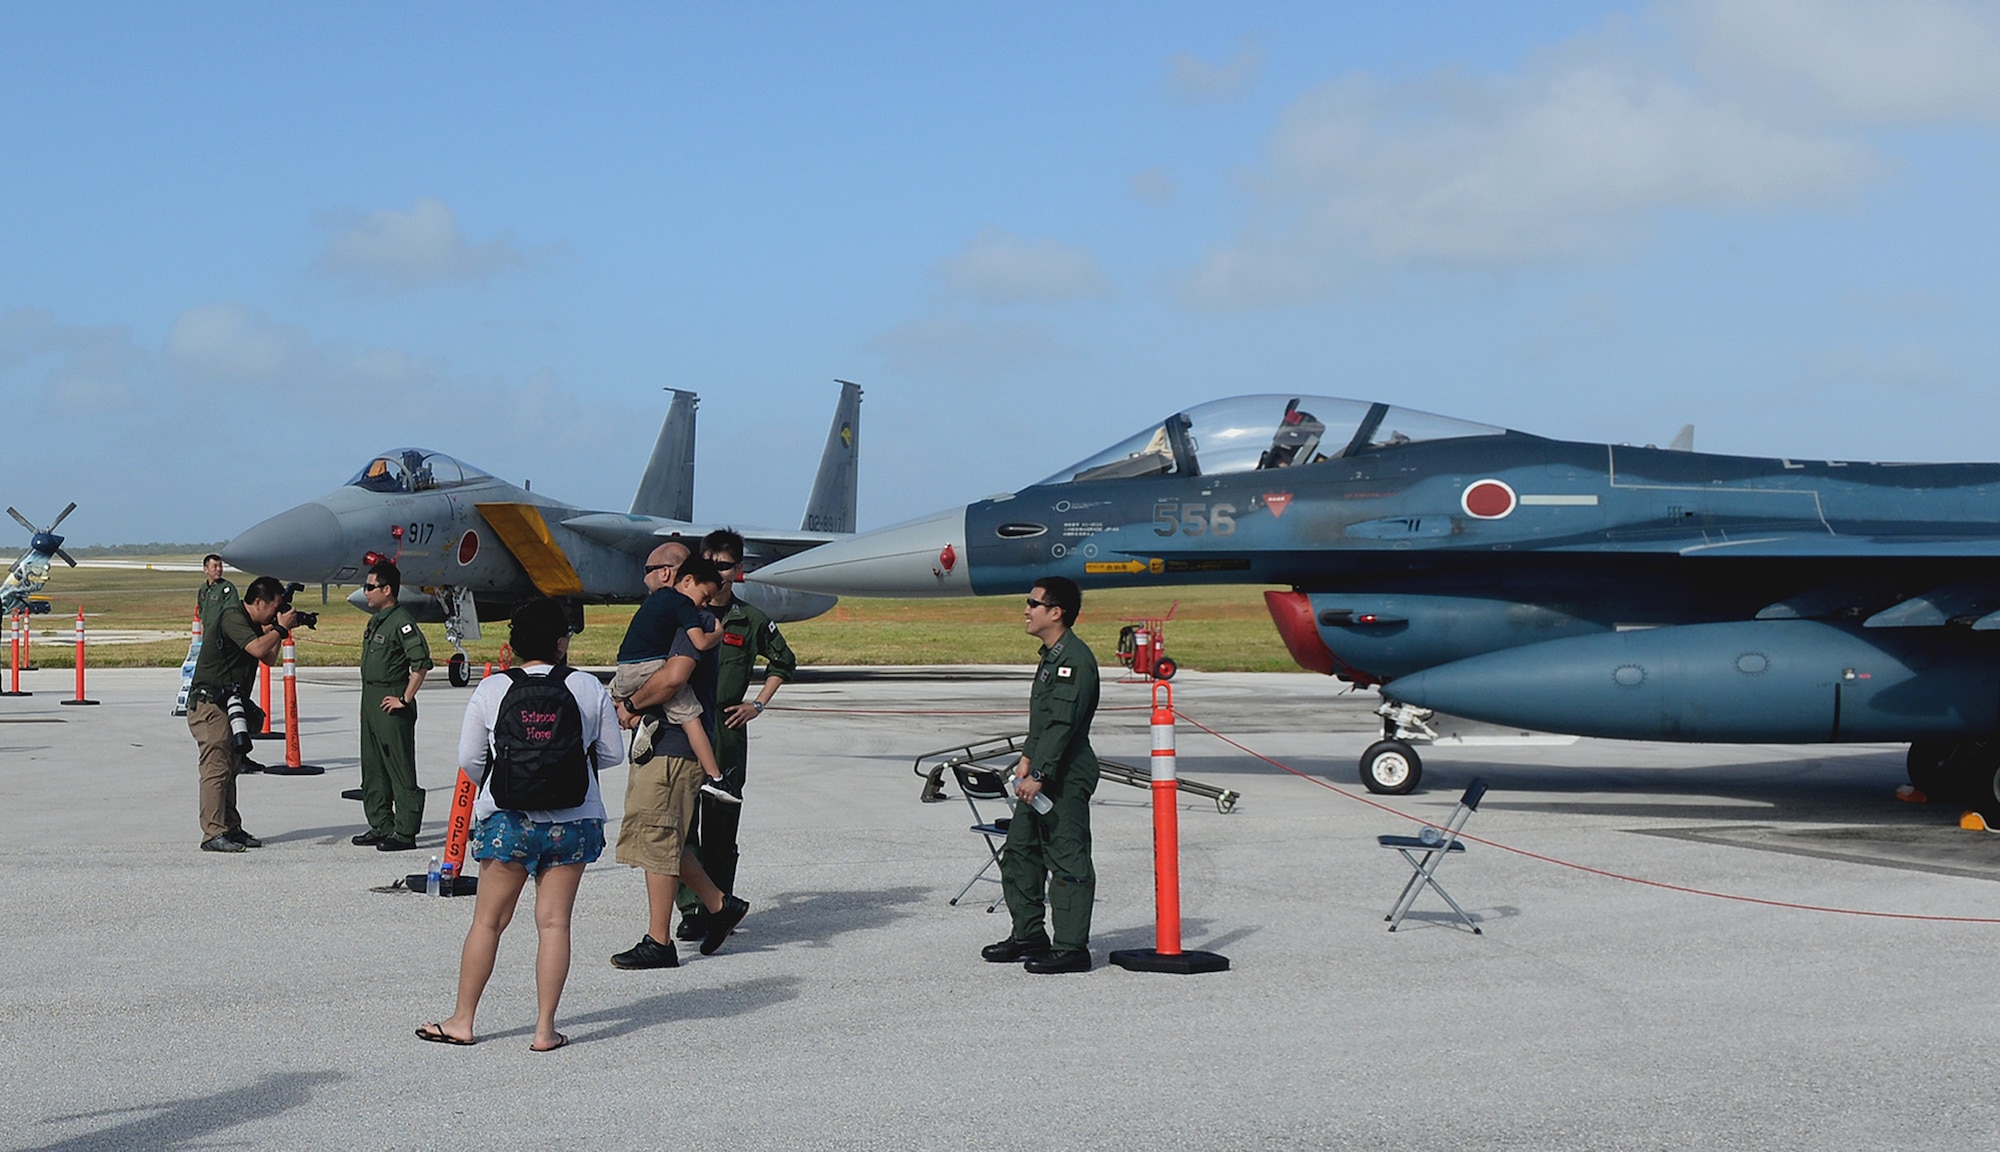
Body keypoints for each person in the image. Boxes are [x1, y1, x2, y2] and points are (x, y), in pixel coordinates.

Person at [415, 597, 622, 1051]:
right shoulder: (588, 687)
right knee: (553, 925)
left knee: (488, 922)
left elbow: (469, 759)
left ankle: (462, 1020)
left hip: (509, 821)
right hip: (575, 820)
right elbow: (612, 754)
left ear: (513, 642)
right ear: (562, 642)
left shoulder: (492, 690)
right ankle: (545, 1030)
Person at [610, 550, 751, 969]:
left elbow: (673, 678)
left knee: (656, 838)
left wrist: (632, 704)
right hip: (663, 745)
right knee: (664, 837)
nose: (647, 577)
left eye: (651, 570)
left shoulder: (690, 617)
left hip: (673, 751)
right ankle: (719, 905)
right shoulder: (676, 615)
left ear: (673, 573)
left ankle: (659, 941)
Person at [674, 528, 796, 941]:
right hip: (686, 726)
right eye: (709, 564)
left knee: (722, 823)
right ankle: (692, 906)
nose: (717, 573)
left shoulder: (750, 618)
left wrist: (757, 704)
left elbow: (783, 661)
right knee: (683, 820)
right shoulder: (683, 613)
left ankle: (719, 902)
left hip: (725, 729)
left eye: (724, 566)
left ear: (739, 570)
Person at [983, 576, 1101, 974]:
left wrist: (1042, 772)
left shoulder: (1074, 661)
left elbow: (1063, 726)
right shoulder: (1052, 657)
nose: (1026, 610)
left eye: (1033, 603)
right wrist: (1026, 759)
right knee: (1020, 854)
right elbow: (1044, 722)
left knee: (1067, 858)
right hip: (1042, 771)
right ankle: (1029, 934)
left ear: (1056, 612)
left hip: (1063, 776)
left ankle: (1071, 947)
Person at [185, 576, 299, 853]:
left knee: (232, 767)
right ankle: (212, 833)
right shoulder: (232, 617)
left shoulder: (252, 623)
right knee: (216, 769)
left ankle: (231, 827)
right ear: (258, 602)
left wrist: (274, 629)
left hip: (229, 706)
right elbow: (258, 648)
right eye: (274, 607)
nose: (276, 612)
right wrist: (281, 630)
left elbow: (268, 658)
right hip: (210, 704)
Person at [608, 554, 733, 802]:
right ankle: (715, 777)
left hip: (625, 669)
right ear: (687, 581)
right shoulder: (684, 605)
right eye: (705, 596)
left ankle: (638, 723)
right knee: (690, 717)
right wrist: (718, 634)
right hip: (651, 667)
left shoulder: (658, 598)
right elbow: (698, 641)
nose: (705, 605)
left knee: (612, 703)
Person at [353, 561, 432, 853]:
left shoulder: (402, 621)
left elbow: (421, 663)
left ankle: (405, 830)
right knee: (373, 765)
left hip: (391, 702)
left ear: (388, 590)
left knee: (399, 766)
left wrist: (406, 699)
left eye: (371, 587)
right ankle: (381, 824)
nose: (366, 592)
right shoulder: (378, 620)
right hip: (370, 698)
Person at [194, 553, 264, 773]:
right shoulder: (204, 591)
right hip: (212, 649)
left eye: (220, 565)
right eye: (214, 566)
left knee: (235, 704)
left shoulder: (228, 589)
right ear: (205, 569)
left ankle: (241, 756)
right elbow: (204, 618)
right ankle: (230, 755)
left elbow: (235, 618)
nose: (219, 569)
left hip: (229, 648)